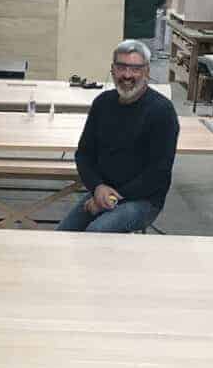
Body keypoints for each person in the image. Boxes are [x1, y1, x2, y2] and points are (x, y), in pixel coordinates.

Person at [57, 39, 179, 234]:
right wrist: (97, 188)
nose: (127, 75)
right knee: (61, 236)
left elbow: (158, 172)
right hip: (103, 191)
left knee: (96, 234)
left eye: (135, 69)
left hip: (143, 200)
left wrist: (110, 199)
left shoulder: (161, 111)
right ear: (113, 70)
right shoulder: (102, 103)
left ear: (147, 72)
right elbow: (84, 154)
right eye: (122, 67)